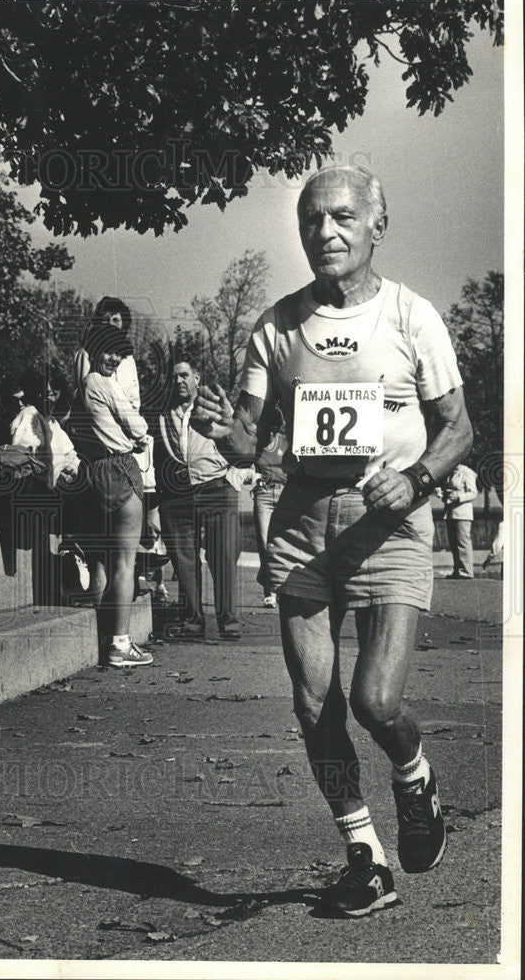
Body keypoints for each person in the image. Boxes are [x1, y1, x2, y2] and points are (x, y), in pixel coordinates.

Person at [191, 165, 473, 918]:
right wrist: (228, 432)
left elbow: (458, 429)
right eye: (312, 220)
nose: (326, 233)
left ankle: (414, 778)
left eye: (343, 218)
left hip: (389, 525)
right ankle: (364, 857)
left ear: (376, 226)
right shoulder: (276, 327)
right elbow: (250, 442)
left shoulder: (411, 317)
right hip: (303, 531)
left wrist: (414, 481)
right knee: (314, 703)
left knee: (376, 702)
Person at [67, 323, 153, 668]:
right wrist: (139, 438)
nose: (115, 358)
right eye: (109, 350)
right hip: (119, 469)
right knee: (125, 564)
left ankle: (105, 638)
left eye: (120, 353)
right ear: (93, 350)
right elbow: (139, 427)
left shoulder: (78, 390)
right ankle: (120, 643)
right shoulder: (102, 384)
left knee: (101, 560)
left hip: (92, 474)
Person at [155, 359, 243, 641]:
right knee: (183, 560)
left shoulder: (213, 404)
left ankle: (228, 621)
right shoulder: (160, 412)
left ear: (196, 377)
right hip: (177, 492)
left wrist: (234, 478)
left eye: (184, 375)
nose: (179, 381)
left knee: (223, 557)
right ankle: (193, 620)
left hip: (217, 486)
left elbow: (241, 440)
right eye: (174, 377)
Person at [251, 406, 288, 609]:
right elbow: (244, 465)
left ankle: (282, 587)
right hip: (264, 496)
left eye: (269, 430)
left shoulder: (286, 442)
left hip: (285, 494)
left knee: (282, 544)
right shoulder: (256, 447)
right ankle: (270, 591)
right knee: (265, 545)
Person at [440, 463, 478, 579]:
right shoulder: (450, 472)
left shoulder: (466, 472)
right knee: (453, 542)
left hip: (463, 513)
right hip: (451, 512)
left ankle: (466, 571)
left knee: (462, 542)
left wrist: (459, 497)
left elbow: (473, 493)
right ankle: (458, 569)